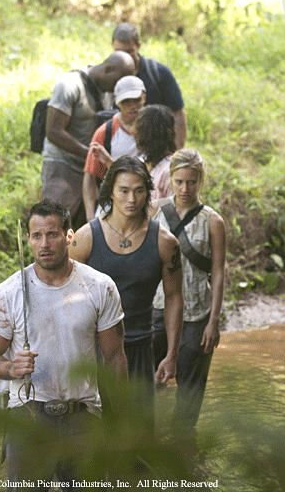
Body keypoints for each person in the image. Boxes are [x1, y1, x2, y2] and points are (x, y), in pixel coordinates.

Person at [0, 200, 127, 490]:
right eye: (36, 236)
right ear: (29, 240)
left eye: (52, 234)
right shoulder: (7, 294)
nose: (44, 244)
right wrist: (10, 368)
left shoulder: (100, 286)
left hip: (83, 415)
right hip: (28, 415)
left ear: (69, 236)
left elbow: (115, 357)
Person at [70, 156, 183, 409]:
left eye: (139, 191)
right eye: (124, 191)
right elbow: (63, 297)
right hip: (93, 349)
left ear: (148, 193)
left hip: (141, 348)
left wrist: (171, 355)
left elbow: (174, 297)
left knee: (139, 437)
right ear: (110, 191)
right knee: (95, 436)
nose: (131, 199)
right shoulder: (85, 239)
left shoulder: (165, 242)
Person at [152, 149, 226, 428]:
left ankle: (184, 446)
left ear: (200, 181)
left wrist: (214, 321)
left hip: (197, 314)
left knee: (191, 391)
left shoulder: (213, 222)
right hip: (157, 307)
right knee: (148, 384)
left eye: (192, 182)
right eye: (179, 181)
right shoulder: (155, 210)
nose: (185, 188)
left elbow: (218, 272)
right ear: (170, 179)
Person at [41, 51, 135, 230]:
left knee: (83, 227)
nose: (118, 88)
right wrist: (90, 154)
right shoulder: (69, 85)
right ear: (108, 69)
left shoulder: (106, 91)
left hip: (90, 170)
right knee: (54, 224)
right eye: (117, 82)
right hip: (63, 165)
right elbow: (53, 131)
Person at [111, 22, 187, 149]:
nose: (124, 57)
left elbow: (178, 113)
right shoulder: (109, 76)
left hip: (158, 149)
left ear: (138, 46)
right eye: (119, 52)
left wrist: (178, 150)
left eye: (129, 52)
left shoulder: (159, 74)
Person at [83, 75, 146, 221]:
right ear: (117, 103)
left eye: (136, 99)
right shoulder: (105, 132)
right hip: (113, 204)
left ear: (144, 97)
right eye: (126, 101)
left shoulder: (154, 128)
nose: (132, 106)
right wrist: (90, 217)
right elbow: (90, 177)